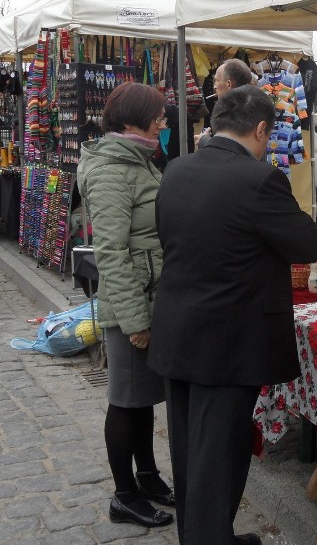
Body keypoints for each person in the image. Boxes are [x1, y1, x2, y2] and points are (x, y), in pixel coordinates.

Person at [148, 84, 317, 545]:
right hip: (227, 341)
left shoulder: (178, 169)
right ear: (262, 128)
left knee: (190, 451)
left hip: (179, 328)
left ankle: (207, 535)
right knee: (219, 456)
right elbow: (306, 244)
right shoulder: (259, 179)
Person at [76, 82, 174, 530]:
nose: (163, 122)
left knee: (141, 402)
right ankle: (124, 496)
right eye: (157, 115)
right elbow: (111, 251)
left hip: (147, 298)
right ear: (133, 119)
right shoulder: (113, 168)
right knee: (126, 403)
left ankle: (148, 477)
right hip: (129, 306)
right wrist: (135, 321)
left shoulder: (136, 159)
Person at [195, 58, 254, 149]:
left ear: (229, 84)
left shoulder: (233, 111)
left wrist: (204, 140)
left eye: (217, 81)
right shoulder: (253, 105)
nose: (214, 86)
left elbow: (229, 149)